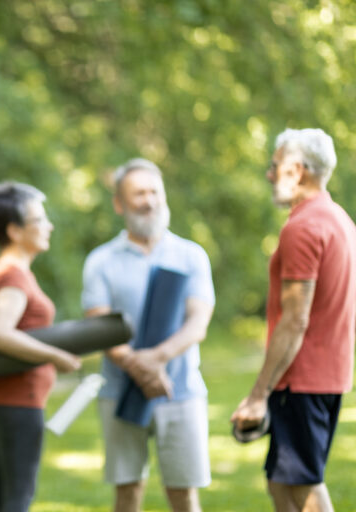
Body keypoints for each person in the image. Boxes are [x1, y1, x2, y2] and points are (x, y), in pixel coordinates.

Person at [231, 128, 356, 512]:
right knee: (281, 483)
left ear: (297, 170)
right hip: (326, 375)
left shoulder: (302, 228)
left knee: (303, 485)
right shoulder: (339, 220)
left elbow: (295, 320)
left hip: (302, 379)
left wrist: (258, 394)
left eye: (274, 167)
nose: (270, 175)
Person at [81, 158, 215, 512]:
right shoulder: (101, 260)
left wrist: (155, 360)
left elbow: (198, 322)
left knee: (184, 494)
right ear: (119, 204)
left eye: (155, 191)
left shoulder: (191, 255)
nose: (149, 200)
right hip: (119, 392)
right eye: (138, 193)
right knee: (128, 491)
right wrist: (138, 368)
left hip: (182, 392)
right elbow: (100, 325)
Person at [0, 182, 81, 512]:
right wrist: (55, 356)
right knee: (17, 497)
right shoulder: (12, 275)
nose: (48, 225)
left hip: (11, 398)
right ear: (14, 230)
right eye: (39, 219)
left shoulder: (12, 271)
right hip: (18, 399)